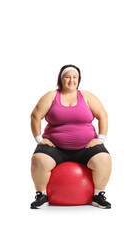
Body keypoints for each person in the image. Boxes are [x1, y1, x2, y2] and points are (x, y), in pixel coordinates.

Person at [30, 64, 112, 209]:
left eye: (75, 77)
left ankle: (98, 195)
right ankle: (41, 195)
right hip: (56, 147)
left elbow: (103, 116)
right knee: (39, 160)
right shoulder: (51, 96)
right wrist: (39, 139)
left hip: (86, 147)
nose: (71, 80)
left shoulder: (86, 96)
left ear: (78, 80)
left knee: (104, 159)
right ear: (61, 79)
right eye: (67, 77)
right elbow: (35, 115)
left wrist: (100, 139)